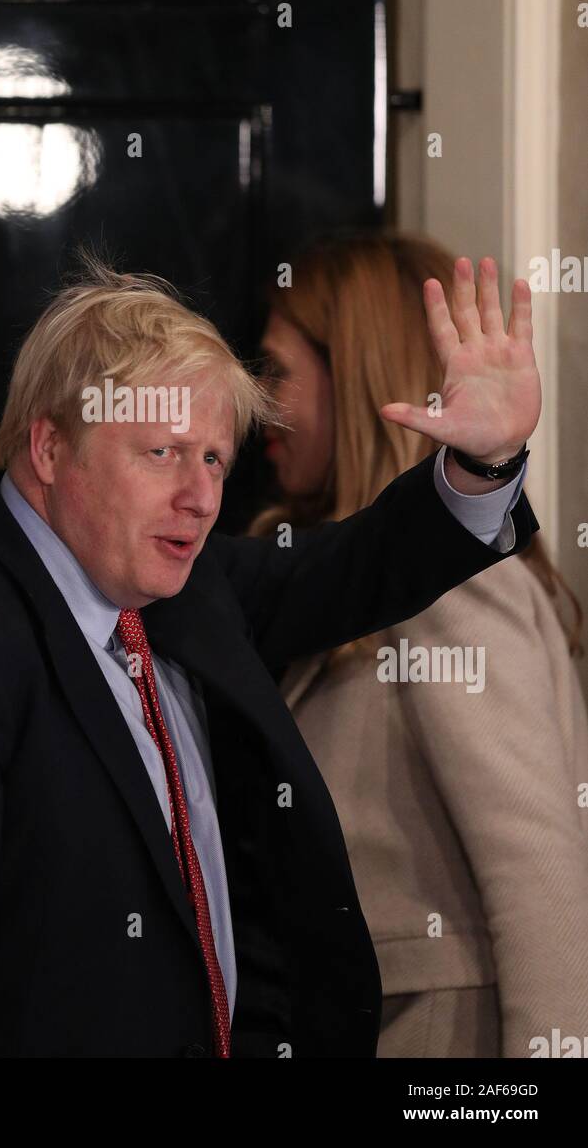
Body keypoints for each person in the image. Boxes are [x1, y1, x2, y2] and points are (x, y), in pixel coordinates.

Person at [0, 247, 541, 1058]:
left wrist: (480, 463)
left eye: (214, 458)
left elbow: (356, 567)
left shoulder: (177, 583)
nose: (201, 496)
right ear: (49, 449)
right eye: (161, 454)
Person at [254, 230, 588, 1058]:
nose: (256, 403)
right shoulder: (319, 572)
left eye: (275, 372)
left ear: (358, 370)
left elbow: (537, 871)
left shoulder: (454, 584)